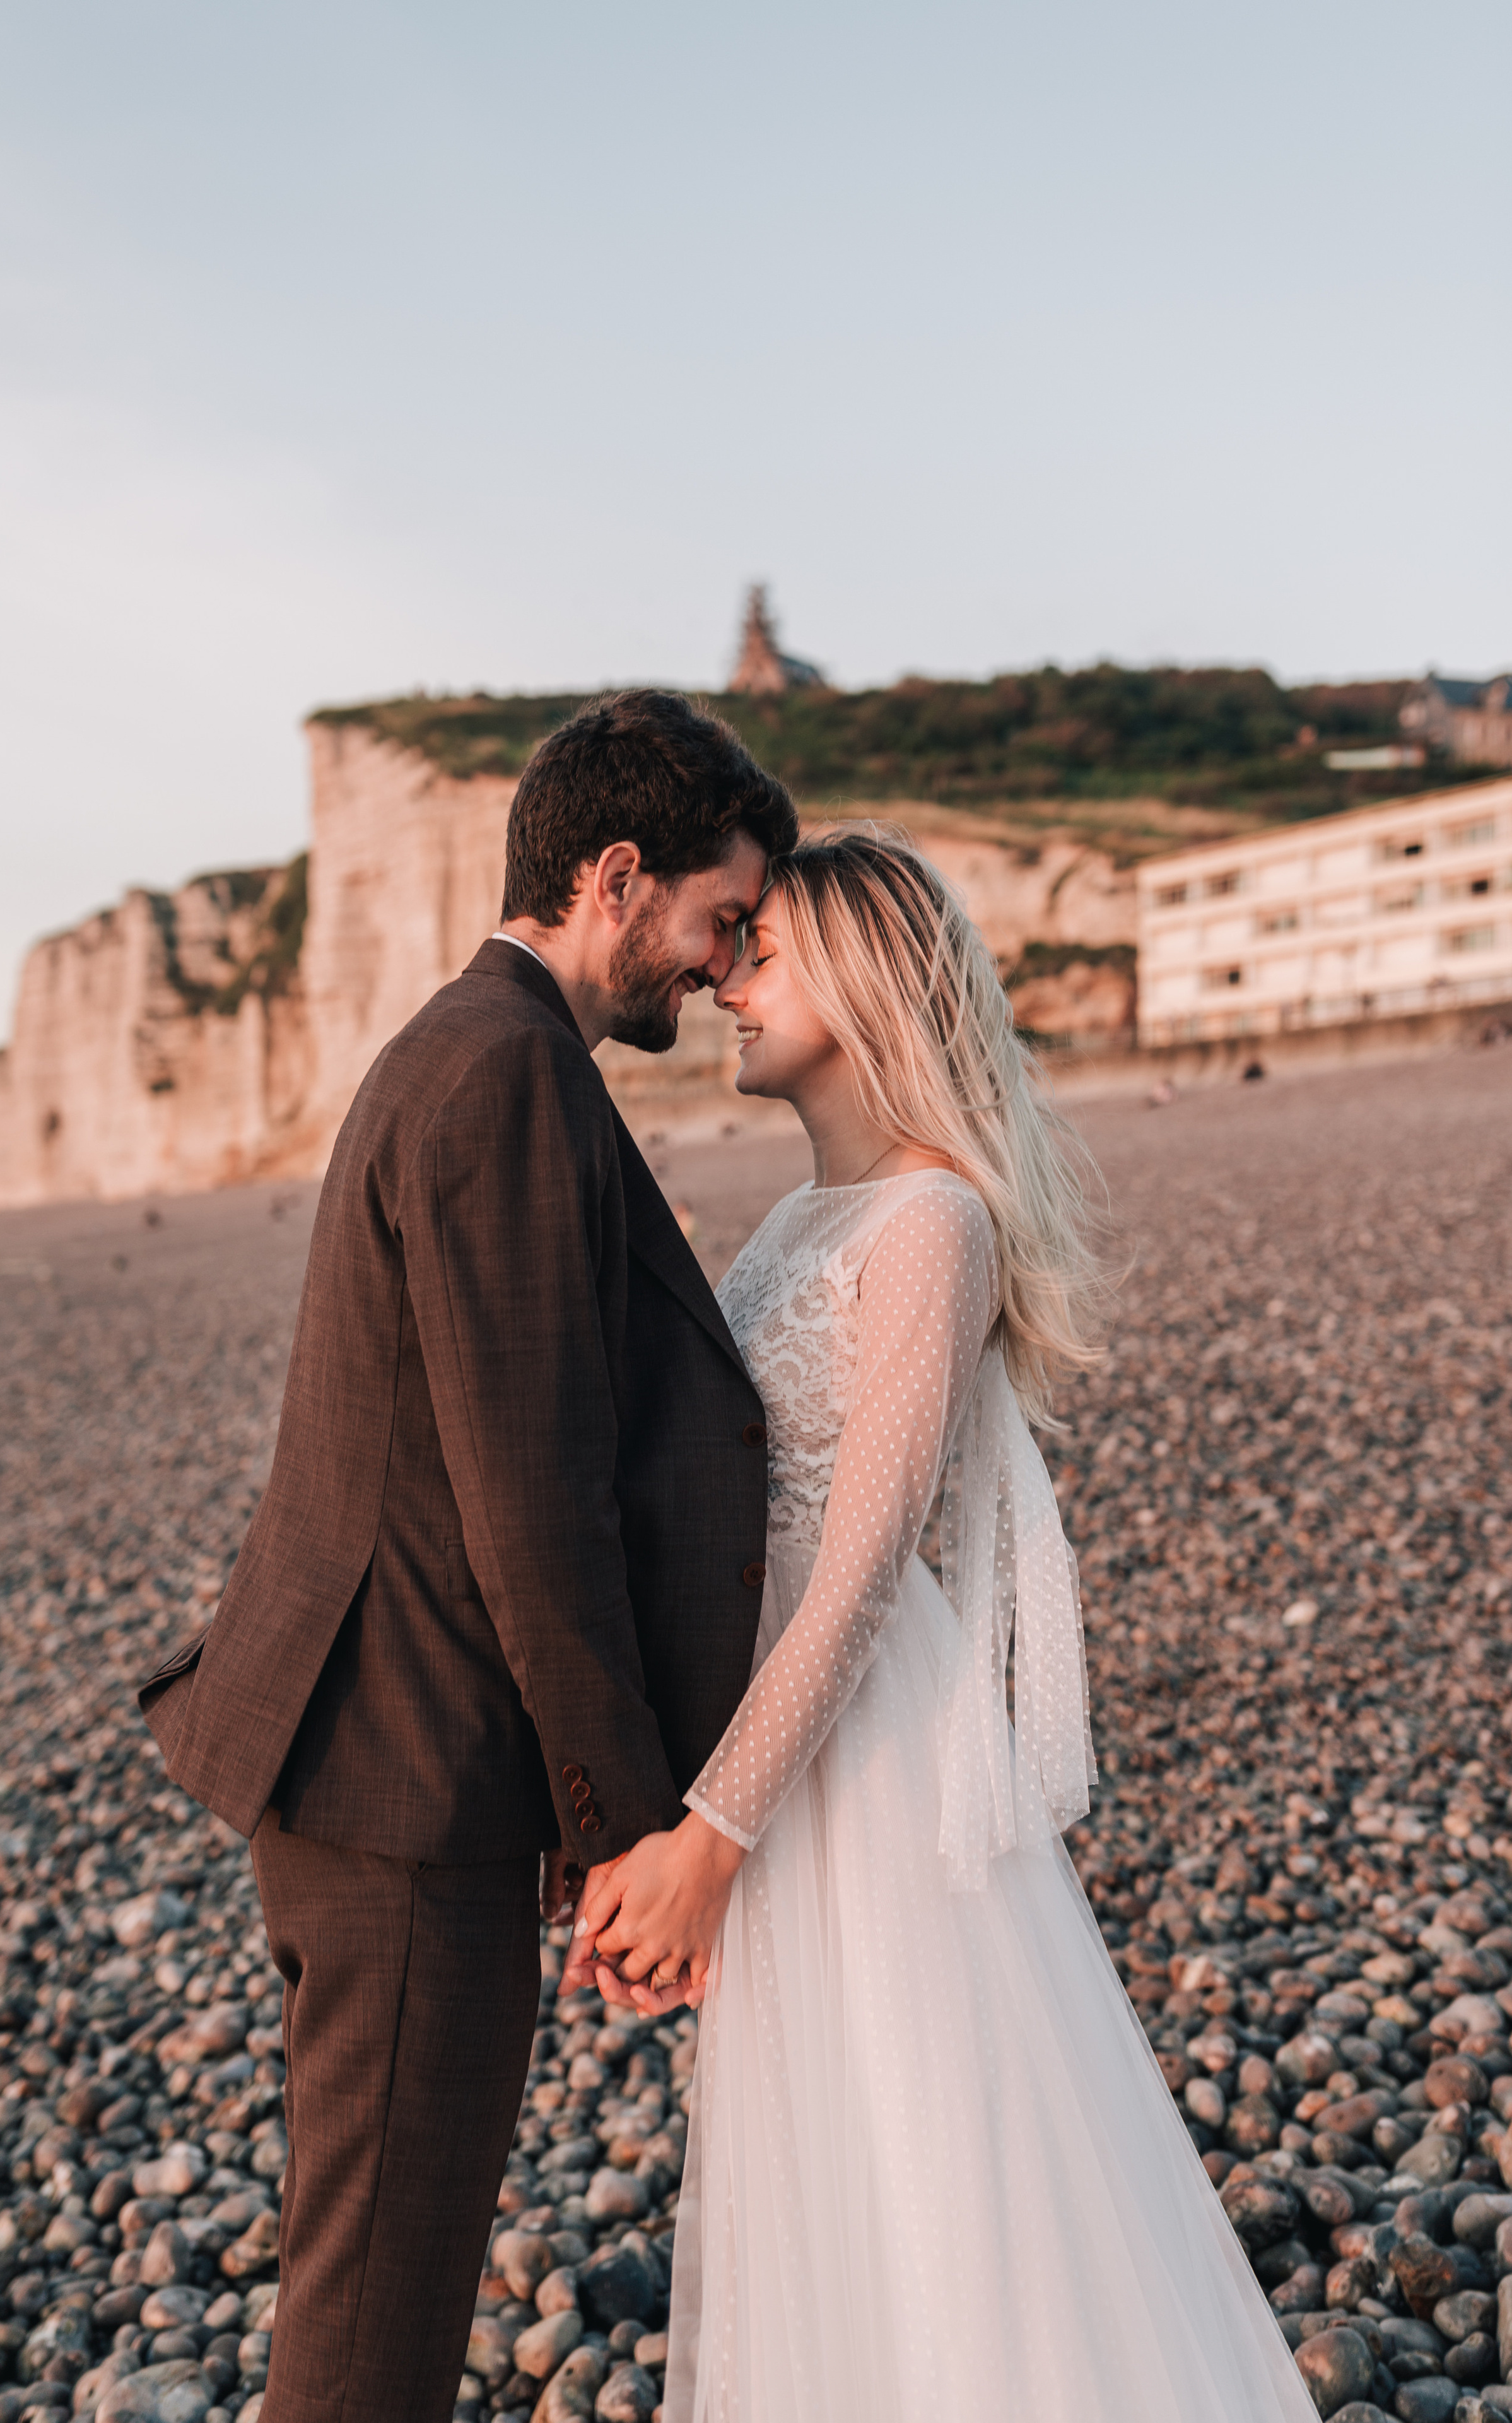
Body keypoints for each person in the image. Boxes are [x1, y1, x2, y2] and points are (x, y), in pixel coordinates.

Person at [565, 830, 1317, 2420]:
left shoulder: (933, 1227)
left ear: (863, 975)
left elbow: (853, 1574)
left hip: (853, 1751)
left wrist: (710, 1833)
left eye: (760, 954)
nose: (725, 984)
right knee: (818, 2156)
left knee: (922, 2155)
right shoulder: (789, 1231)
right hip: (771, 1737)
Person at [137, 690, 799, 2423]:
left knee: (364, 2283)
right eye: (717, 921)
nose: (720, 967)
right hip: (404, 1782)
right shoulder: (503, 1075)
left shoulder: (479, 1050)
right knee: (372, 2332)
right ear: (616, 874)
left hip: (371, 1761)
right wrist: (627, 1829)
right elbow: (532, 1499)